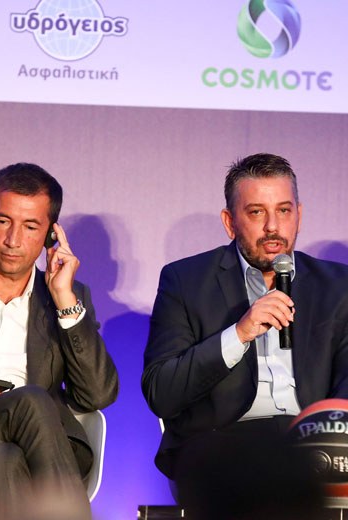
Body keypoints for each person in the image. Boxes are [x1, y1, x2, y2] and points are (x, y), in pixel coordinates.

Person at [142, 153, 348, 518]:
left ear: (299, 214)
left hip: (315, 443)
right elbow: (162, 392)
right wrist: (238, 334)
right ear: (229, 221)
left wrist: (329, 434)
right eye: (256, 212)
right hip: (224, 443)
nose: (273, 227)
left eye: (284, 210)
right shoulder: (186, 281)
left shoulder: (337, 285)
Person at [0, 163, 118, 520]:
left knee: (5, 461)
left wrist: (64, 300)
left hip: (30, 455)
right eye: (3, 221)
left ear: (50, 235)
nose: (13, 240)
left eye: (30, 227)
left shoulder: (65, 296)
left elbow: (97, 395)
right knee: (31, 400)